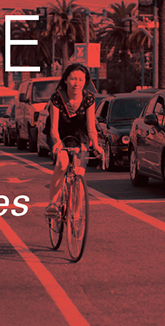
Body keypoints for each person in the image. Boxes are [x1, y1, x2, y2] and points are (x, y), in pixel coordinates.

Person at [45, 63, 103, 218]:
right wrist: (57, 143)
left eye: (80, 79)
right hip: (59, 135)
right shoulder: (58, 98)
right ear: (65, 80)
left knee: (79, 173)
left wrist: (96, 144)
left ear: (85, 82)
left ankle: (76, 213)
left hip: (80, 136)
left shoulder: (89, 98)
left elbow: (91, 127)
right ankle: (52, 203)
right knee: (62, 163)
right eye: (73, 79)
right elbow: (53, 128)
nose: (76, 83)